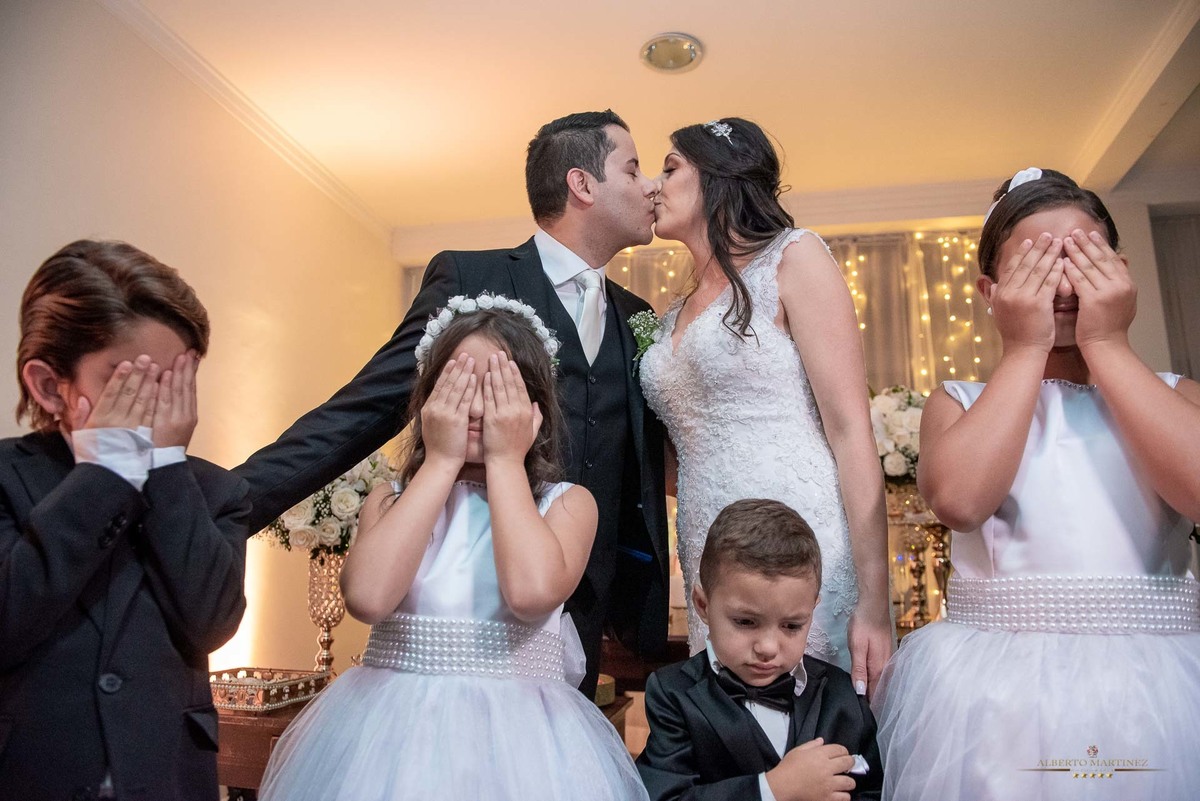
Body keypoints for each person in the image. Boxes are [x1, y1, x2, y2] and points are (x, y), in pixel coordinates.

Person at [235, 110, 669, 697]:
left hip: (587, 597)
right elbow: (368, 406)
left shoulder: (637, 315)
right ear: (582, 184)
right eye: (633, 167)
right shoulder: (471, 275)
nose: (651, 186)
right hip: (469, 589)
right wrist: (227, 504)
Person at [874, 168, 1200, 800]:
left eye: (1083, 257)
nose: (1063, 281)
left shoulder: (1172, 394)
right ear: (990, 291)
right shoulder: (960, 401)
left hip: (1160, 688)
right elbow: (961, 502)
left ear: (1120, 270)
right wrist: (1025, 348)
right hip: (1001, 695)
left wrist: (1107, 339)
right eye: (1036, 267)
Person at [258, 297, 649, 800]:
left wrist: (506, 460)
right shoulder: (390, 500)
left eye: (497, 388)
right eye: (458, 385)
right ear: (427, 399)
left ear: (535, 407)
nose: (477, 406)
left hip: (523, 747)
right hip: (389, 737)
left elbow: (531, 594)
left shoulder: (567, 505)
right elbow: (368, 599)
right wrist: (440, 462)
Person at [640, 118, 892, 695]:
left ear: (719, 176)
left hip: (803, 536)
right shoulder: (671, 311)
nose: (654, 185)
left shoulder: (793, 259)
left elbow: (852, 430)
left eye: (671, 168)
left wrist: (876, 603)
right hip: (710, 554)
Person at [0, 240, 249, 801]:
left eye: (173, 382)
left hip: (165, 778)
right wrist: (104, 477)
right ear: (48, 385)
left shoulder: (214, 491)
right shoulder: (5, 478)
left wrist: (162, 466)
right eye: (131, 381)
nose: (156, 405)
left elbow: (212, 623)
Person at [636, 499, 882, 801]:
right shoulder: (673, 694)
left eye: (791, 626)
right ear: (703, 604)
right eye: (745, 622)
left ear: (811, 610)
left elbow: (873, 791)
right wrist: (773, 789)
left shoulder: (842, 696)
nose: (767, 648)